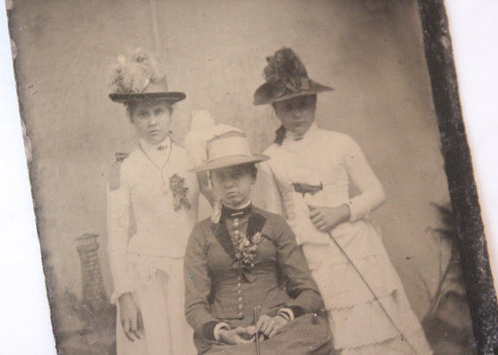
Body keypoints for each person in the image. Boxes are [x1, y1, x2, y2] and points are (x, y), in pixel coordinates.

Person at [253, 48, 433, 354]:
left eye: (304, 105)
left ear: (314, 103)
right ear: (275, 110)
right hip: (311, 257)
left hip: (356, 246)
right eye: (288, 107)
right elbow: (274, 218)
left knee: (380, 326)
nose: (297, 114)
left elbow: (377, 192)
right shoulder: (271, 157)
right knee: (336, 331)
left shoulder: (340, 143)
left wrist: (342, 211)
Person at [184, 129, 334, 354]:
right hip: (228, 338)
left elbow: (309, 291)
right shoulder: (202, 233)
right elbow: (195, 304)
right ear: (211, 182)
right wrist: (224, 333)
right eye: (221, 177)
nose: (230, 184)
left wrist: (281, 319)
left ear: (253, 176)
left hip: (280, 331)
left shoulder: (275, 225)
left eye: (237, 175)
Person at [107, 52, 198, 355]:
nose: (152, 122)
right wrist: (125, 295)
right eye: (143, 114)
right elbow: (116, 236)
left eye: (159, 111)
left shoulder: (190, 159)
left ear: (171, 113)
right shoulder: (126, 168)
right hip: (146, 279)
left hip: (187, 273)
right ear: (131, 117)